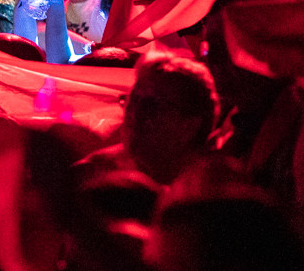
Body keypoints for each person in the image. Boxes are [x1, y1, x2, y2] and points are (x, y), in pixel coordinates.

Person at [78, 54, 220, 185]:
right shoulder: (96, 174)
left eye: (152, 104)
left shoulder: (214, 194)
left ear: (189, 126)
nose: (136, 113)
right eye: (132, 100)